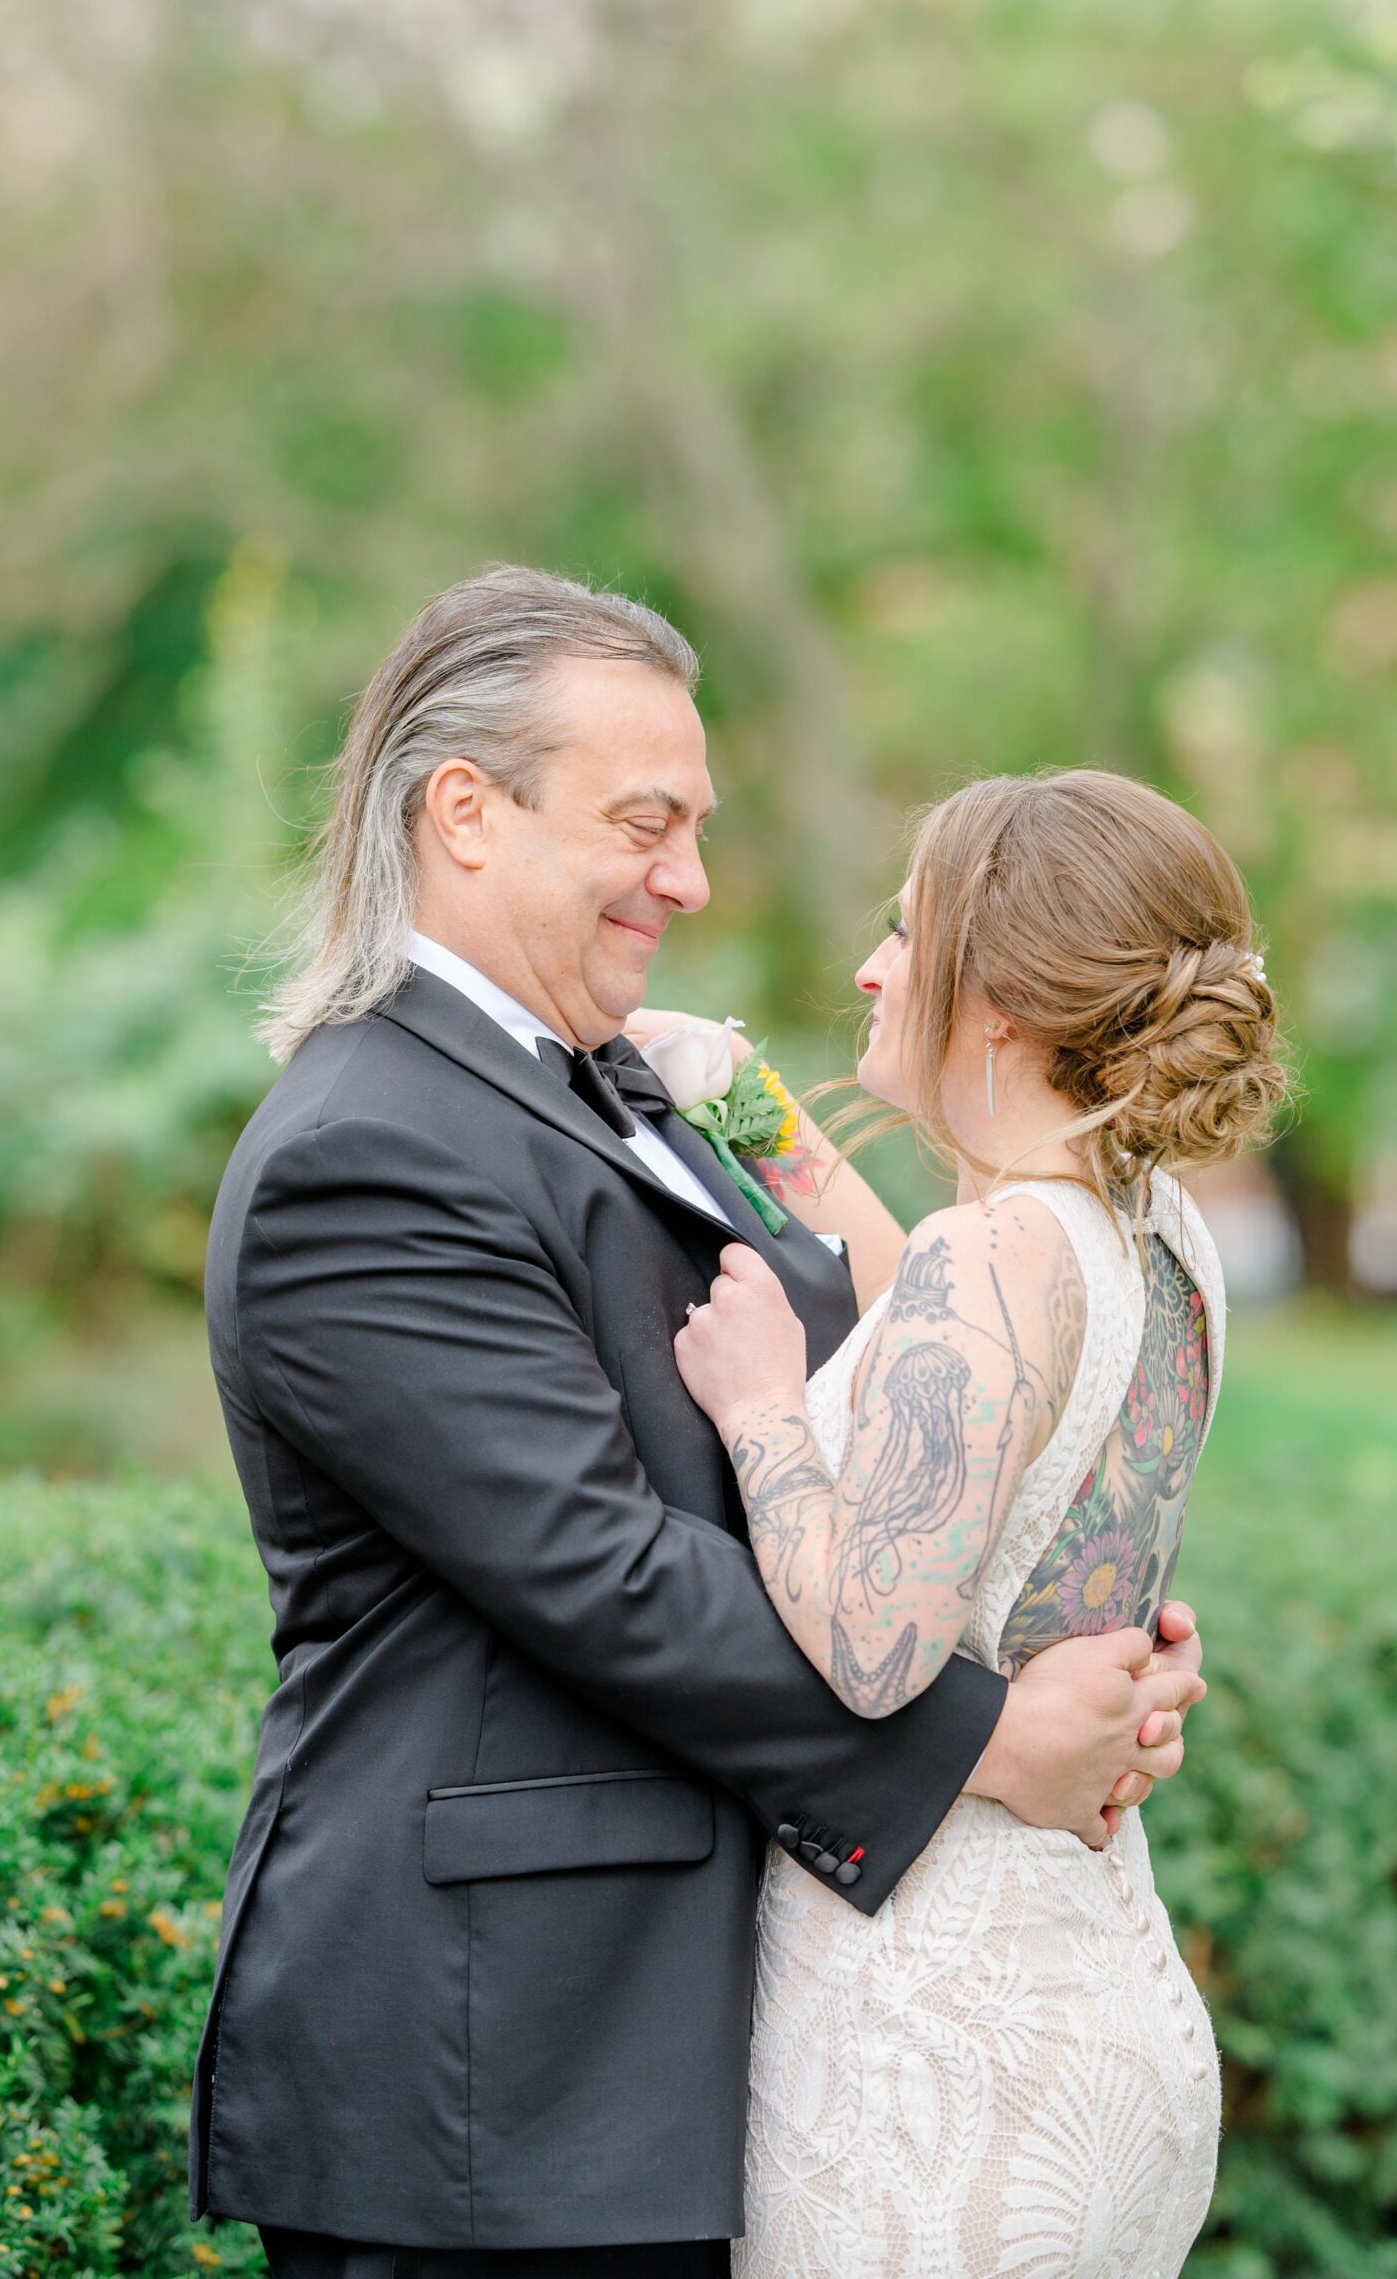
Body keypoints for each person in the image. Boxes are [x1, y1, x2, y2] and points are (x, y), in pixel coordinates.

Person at [188, 567, 1206, 2279]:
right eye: (645, 824)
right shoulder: (363, 1153)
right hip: (494, 2070)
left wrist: (1075, 1617)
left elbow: (917, 1403)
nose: (693, 879)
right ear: (466, 816)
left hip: (684, 2036)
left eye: (699, 824)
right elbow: (601, 1570)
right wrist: (986, 1740)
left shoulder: (641, 1087)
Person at [670, 768, 1287, 2279]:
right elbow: (927, 1333)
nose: (873, 967)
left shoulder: (997, 1251)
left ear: (999, 1000)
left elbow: (877, 1655)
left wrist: (757, 1411)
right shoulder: (1152, 1232)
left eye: (905, 931)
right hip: (1098, 1998)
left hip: (938, 2046)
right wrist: (739, 1102)